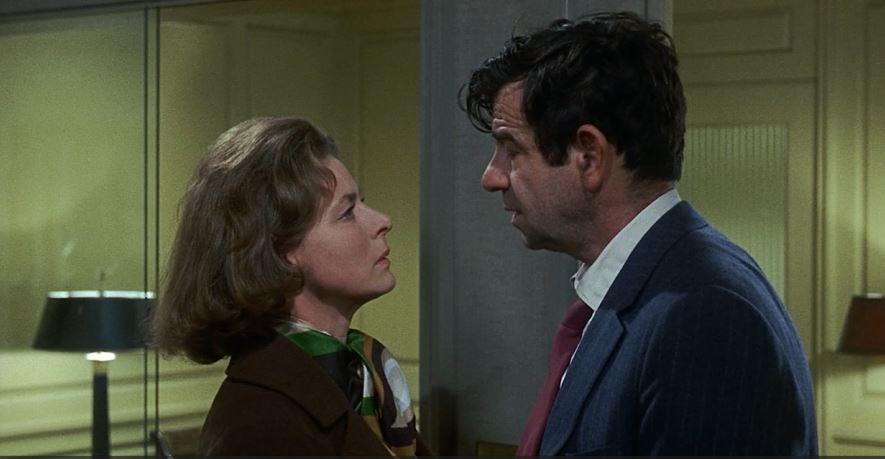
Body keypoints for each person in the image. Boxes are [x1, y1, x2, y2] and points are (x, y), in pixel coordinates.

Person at [462, 11, 817, 456]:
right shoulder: (648, 287)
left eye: (511, 149)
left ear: (589, 157)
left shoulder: (703, 313)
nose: (491, 177)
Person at [150, 117, 430, 456]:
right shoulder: (259, 423)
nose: (383, 221)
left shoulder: (363, 375)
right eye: (347, 212)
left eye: (362, 203)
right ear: (280, 251)